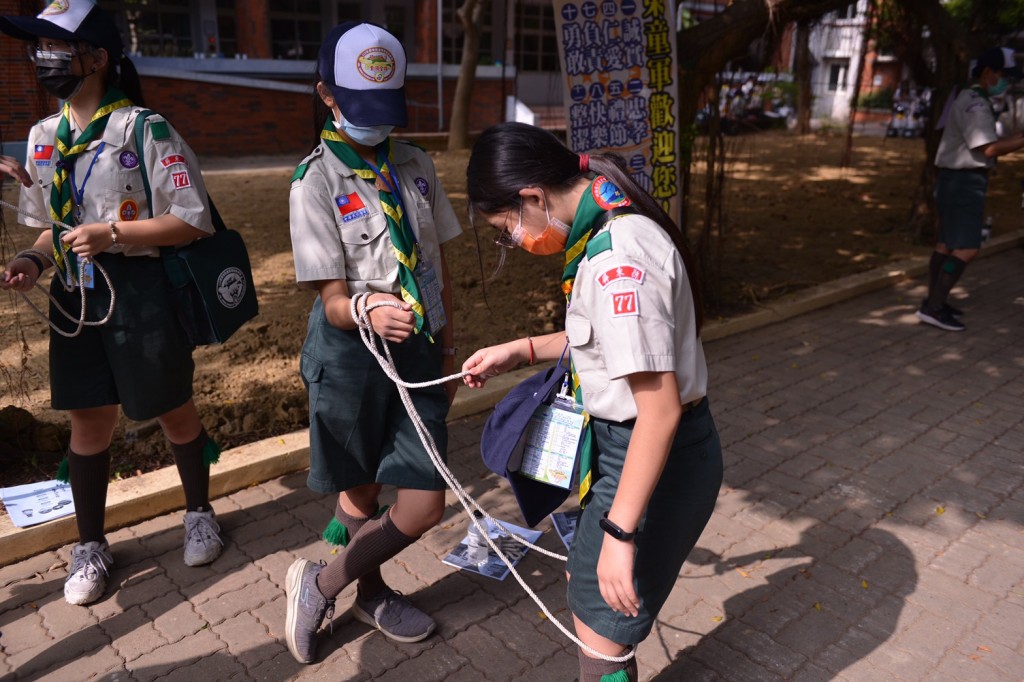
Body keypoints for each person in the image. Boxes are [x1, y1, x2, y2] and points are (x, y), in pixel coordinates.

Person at [460, 122, 723, 682]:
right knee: (594, 607)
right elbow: (609, 340)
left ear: (532, 196)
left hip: (651, 454)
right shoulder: (605, 213)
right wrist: (522, 350)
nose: (514, 241)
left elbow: (659, 410)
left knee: (602, 627)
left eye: (507, 226)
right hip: (631, 449)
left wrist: (620, 534)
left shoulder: (615, 259)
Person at [0, 0, 223, 606]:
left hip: (140, 293)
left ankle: (200, 511)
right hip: (76, 294)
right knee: (88, 421)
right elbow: (49, 227)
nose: (43, 59)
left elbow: (192, 221)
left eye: (55, 47)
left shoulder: (144, 129)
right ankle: (91, 544)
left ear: (96, 57)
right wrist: (33, 260)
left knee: (172, 408)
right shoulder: (44, 139)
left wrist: (115, 234)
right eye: (38, 47)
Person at [284, 21, 460, 664]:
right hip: (352, 355)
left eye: (385, 110)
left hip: (417, 348)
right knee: (359, 489)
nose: (376, 124)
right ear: (327, 94)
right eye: (362, 108)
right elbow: (330, 302)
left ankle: (321, 584)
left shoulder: (414, 164)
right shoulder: (315, 182)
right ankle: (372, 592)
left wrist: (447, 344)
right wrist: (365, 308)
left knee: (423, 501)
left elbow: (437, 263)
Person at [919, 46, 1024, 332]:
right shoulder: (975, 104)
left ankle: (934, 301)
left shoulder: (970, 98)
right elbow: (988, 148)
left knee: (946, 244)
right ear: (988, 73)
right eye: (1003, 75)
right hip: (964, 183)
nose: (1006, 82)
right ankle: (934, 307)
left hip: (953, 180)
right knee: (967, 249)